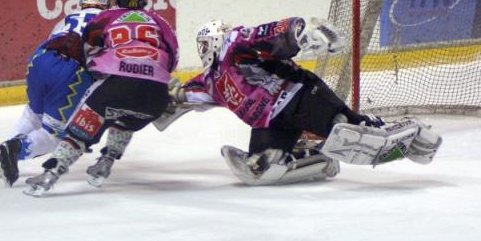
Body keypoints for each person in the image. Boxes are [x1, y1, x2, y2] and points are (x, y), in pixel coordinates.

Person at [166, 17, 443, 185]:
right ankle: (316, 158)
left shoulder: (234, 43)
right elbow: (184, 96)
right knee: (262, 167)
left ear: (215, 40)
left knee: (344, 125)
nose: (203, 51)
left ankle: (409, 131)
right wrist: (165, 94)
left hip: (299, 96)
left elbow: (270, 33)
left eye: (204, 44)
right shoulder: (210, 82)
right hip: (270, 124)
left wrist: (304, 35)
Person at [24, 0, 179, 196]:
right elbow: (173, 57)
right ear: (145, 1)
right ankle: (106, 162)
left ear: (116, 0)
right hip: (156, 95)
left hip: (116, 85)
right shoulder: (160, 21)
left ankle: (50, 174)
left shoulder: (104, 18)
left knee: (80, 130)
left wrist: (106, 72)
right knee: (127, 120)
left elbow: (89, 52)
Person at [0, 0, 112, 187]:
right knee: (54, 135)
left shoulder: (68, 17)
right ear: (107, 0)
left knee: (33, 113)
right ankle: (14, 150)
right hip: (70, 72)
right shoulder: (108, 22)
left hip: (39, 60)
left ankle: (0, 157)